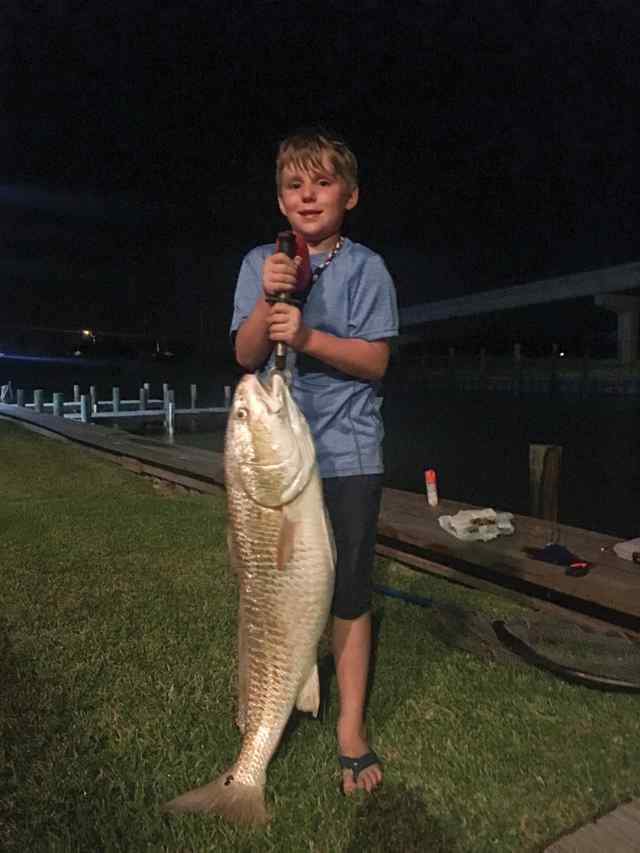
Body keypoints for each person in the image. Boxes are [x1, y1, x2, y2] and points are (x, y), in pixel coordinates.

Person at [230, 128, 399, 795]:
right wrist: (265, 303)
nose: (308, 195)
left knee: (349, 595)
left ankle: (349, 727)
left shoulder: (367, 270)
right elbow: (246, 353)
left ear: (349, 195)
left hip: (347, 452)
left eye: (322, 183)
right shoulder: (258, 263)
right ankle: (276, 691)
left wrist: (305, 335)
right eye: (294, 185)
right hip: (274, 467)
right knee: (269, 593)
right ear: (280, 198)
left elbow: (375, 359)